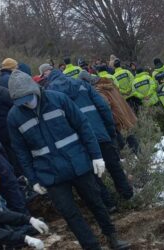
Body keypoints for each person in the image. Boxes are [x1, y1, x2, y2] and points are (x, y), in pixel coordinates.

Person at [7, 70, 129, 250]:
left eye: (27, 98)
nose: (25, 103)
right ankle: (91, 247)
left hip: (78, 163)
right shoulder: (14, 117)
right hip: (50, 173)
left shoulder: (58, 100)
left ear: (35, 89)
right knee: (70, 214)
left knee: (96, 203)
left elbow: (83, 126)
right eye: (20, 101)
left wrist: (96, 156)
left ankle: (112, 237)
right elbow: (21, 152)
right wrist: (33, 179)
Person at [46, 69, 133, 203]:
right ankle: (127, 196)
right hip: (100, 133)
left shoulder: (51, 95)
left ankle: (109, 204)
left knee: (94, 175)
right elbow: (103, 107)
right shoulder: (82, 85)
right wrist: (110, 130)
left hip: (80, 140)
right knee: (114, 166)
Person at [94, 77, 139, 154]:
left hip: (117, 120)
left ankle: (134, 159)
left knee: (124, 143)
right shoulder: (110, 86)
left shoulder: (100, 91)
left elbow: (107, 107)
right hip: (125, 116)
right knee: (131, 139)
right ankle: (140, 155)